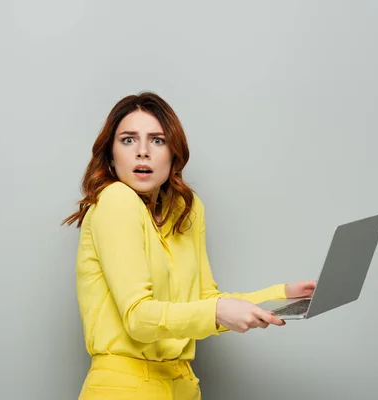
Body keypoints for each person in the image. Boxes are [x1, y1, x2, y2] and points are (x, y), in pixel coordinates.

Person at [62, 92, 317, 399]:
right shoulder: (115, 200)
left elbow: (205, 301)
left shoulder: (187, 210)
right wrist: (218, 311)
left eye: (157, 140)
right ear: (111, 155)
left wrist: (283, 296)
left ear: (174, 153)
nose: (142, 152)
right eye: (128, 140)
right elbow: (138, 318)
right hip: (125, 386)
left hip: (182, 385)